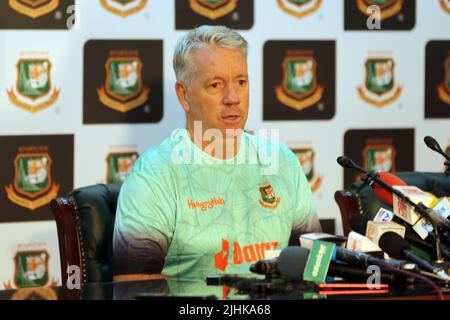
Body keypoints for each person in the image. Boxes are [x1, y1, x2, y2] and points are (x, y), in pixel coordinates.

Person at [112, 25, 321, 282]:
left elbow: (315, 269)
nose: (233, 98)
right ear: (184, 95)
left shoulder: (283, 163)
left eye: (241, 82)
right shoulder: (153, 176)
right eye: (215, 85)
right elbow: (134, 290)